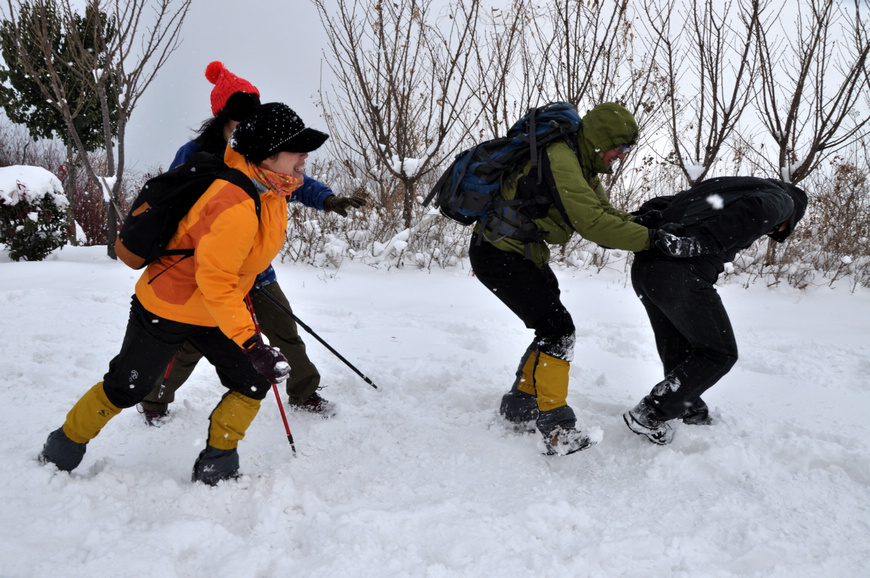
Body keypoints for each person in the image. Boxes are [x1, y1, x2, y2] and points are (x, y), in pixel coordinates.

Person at [40, 102, 332, 484]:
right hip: (168, 305)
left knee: (252, 381)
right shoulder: (236, 203)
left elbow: (232, 272)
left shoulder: (273, 192)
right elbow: (216, 281)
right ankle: (63, 446)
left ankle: (218, 461)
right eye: (297, 148)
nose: (305, 156)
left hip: (214, 311)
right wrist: (253, 343)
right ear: (267, 156)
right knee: (128, 386)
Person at [139, 62, 366, 425]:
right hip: (208, 268)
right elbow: (174, 203)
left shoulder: (263, 146)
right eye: (239, 117)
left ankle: (304, 390)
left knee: (283, 330)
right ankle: (155, 399)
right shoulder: (197, 155)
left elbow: (295, 179)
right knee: (191, 343)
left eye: (252, 115)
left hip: (257, 270)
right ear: (222, 117)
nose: (247, 124)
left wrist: (327, 199)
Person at [469, 102, 695, 455]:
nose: (621, 156)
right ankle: (556, 428)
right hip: (499, 255)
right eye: (620, 147)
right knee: (557, 329)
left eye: (628, 149)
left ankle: (520, 404)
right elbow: (592, 224)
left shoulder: (581, 163)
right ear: (601, 140)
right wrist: (652, 241)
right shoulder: (560, 156)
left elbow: (603, 212)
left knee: (551, 325)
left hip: (522, 253)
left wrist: (646, 224)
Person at [623, 176, 808, 445]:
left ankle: (688, 408)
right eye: (778, 230)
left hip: (646, 270)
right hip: (681, 273)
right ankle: (651, 412)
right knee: (718, 352)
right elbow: (759, 211)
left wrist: (640, 223)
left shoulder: (724, 188)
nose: (771, 232)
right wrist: (695, 243)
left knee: (679, 345)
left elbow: (662, 203)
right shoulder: (784, 199)